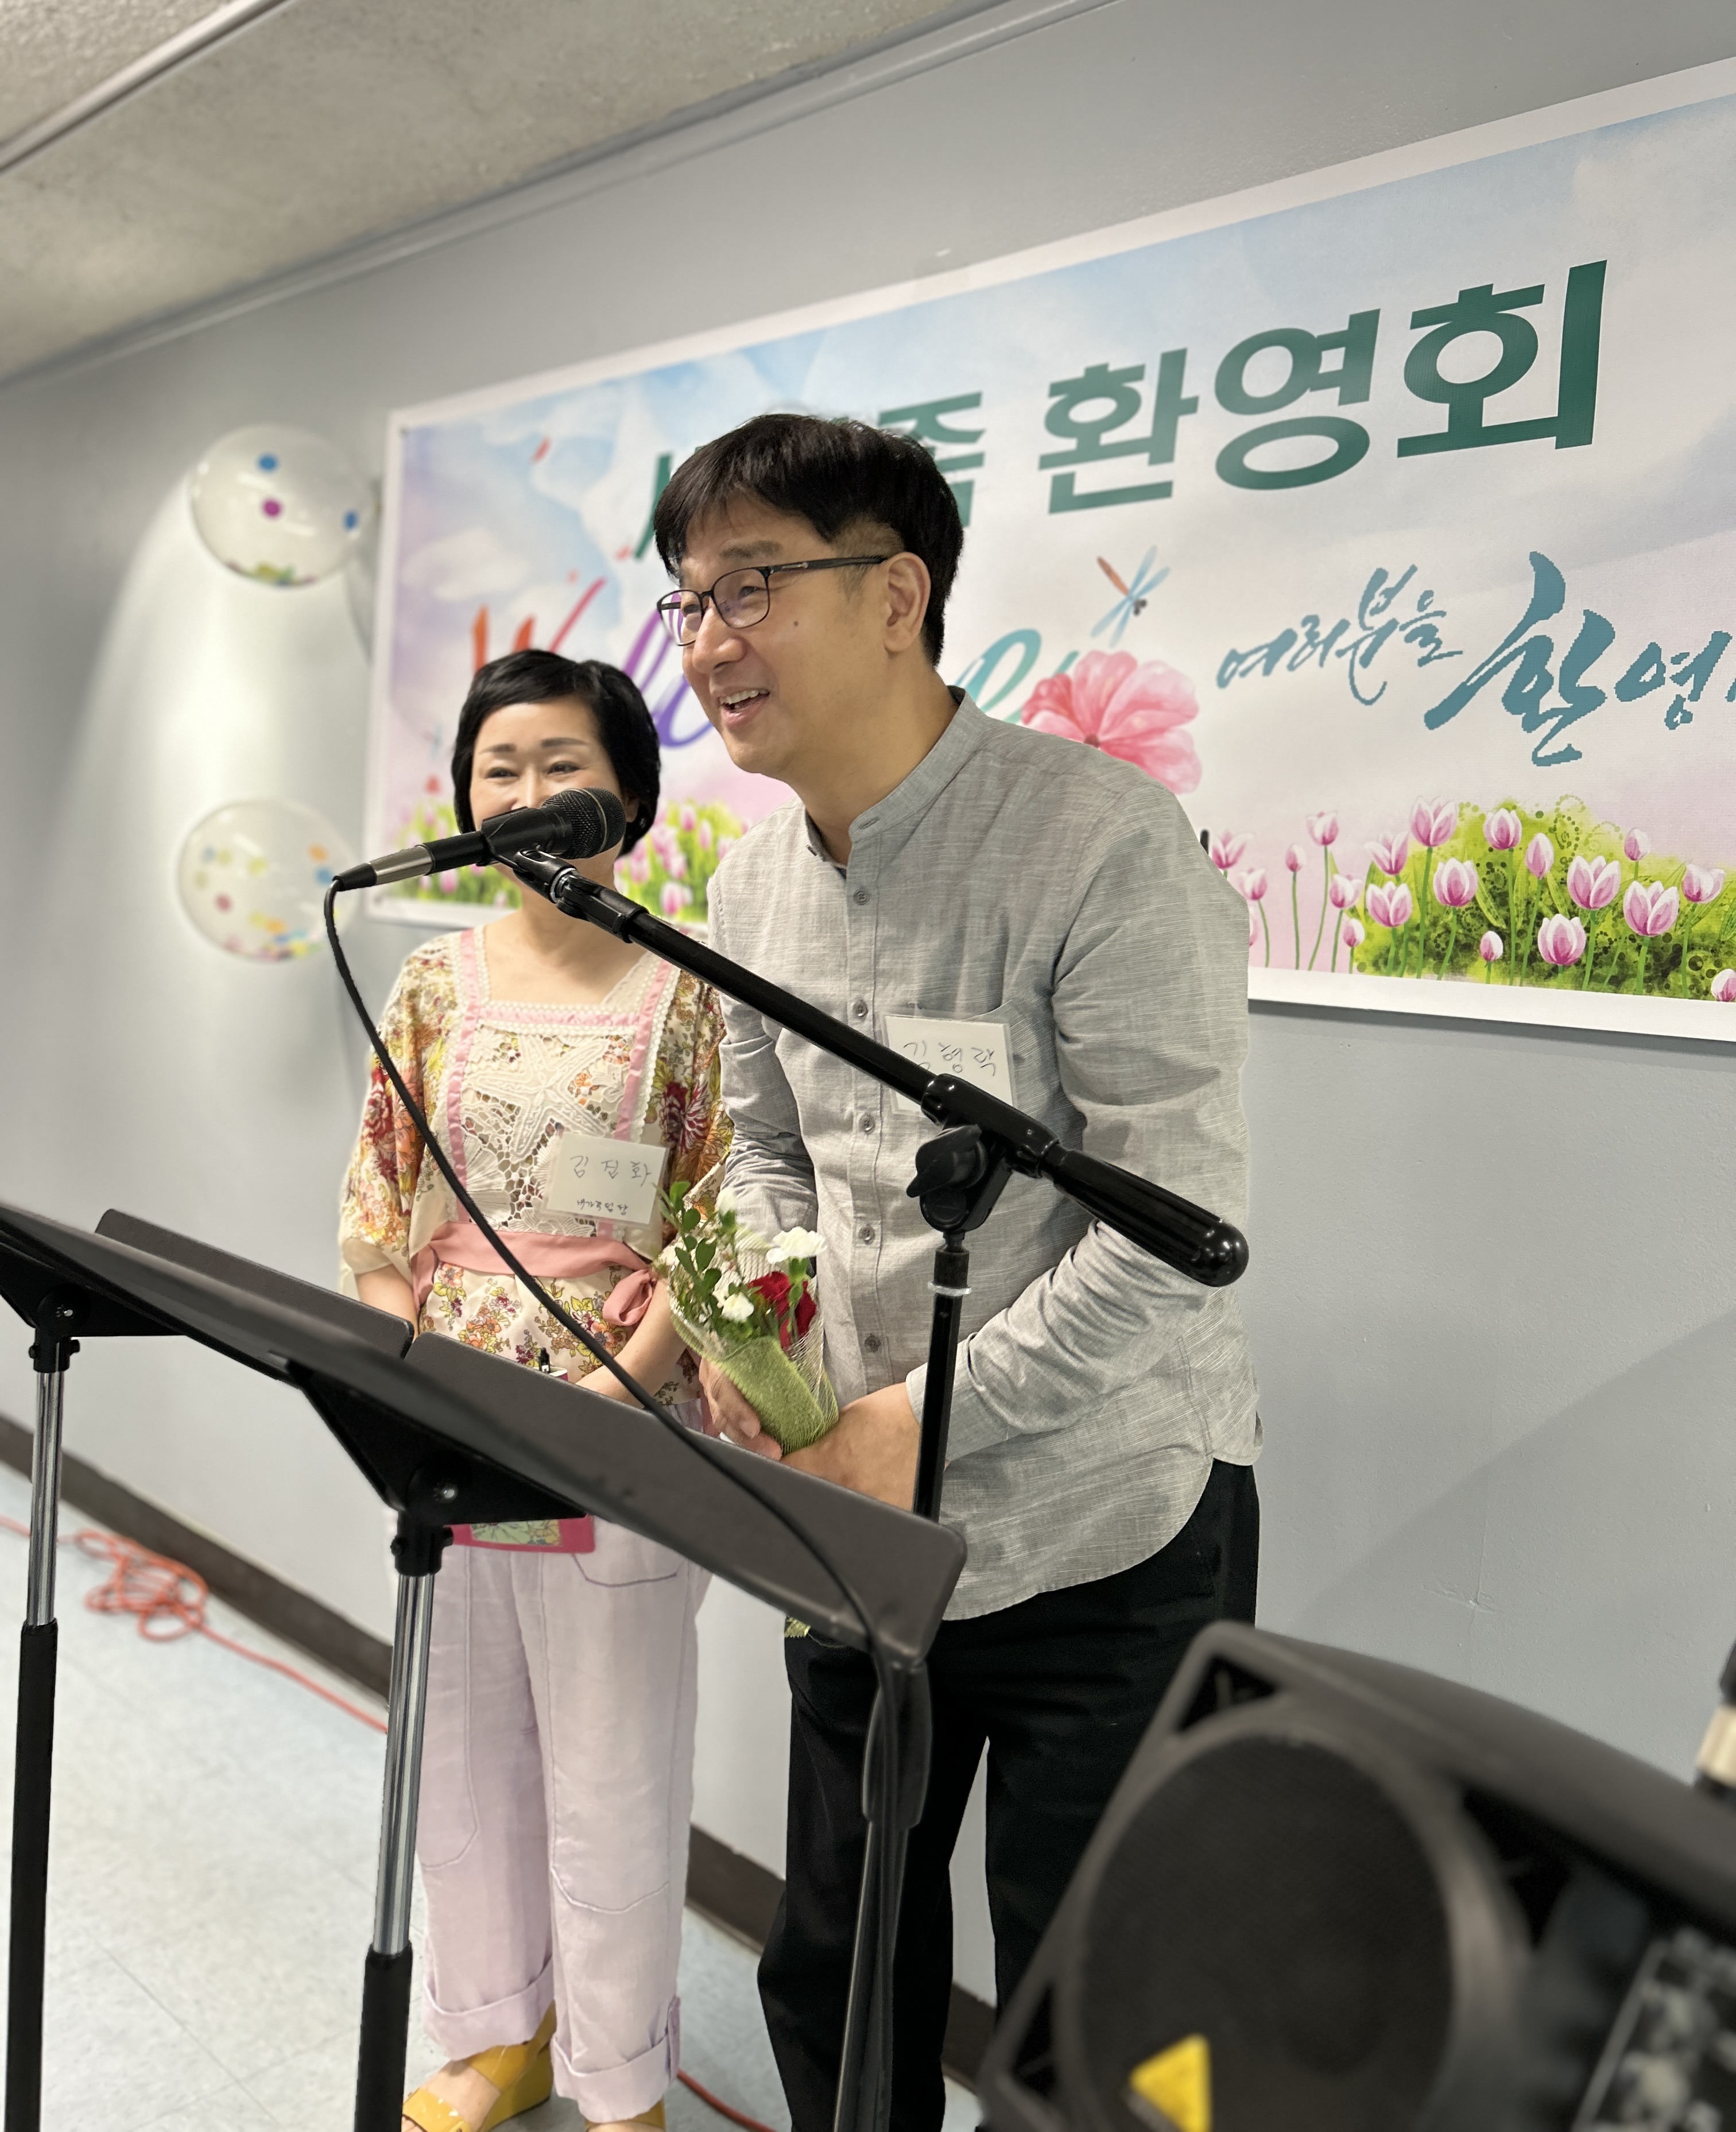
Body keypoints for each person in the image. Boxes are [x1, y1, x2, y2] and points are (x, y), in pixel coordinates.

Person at [651, 415, 1260, 2132]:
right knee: (836, 1969)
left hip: (1103, 1528)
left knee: (1097, 2015)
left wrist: (911, 1421)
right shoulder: (754, 880)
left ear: (898, 595)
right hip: (857, 1525)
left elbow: (1172, 1239)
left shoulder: (1101, 843)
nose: (707, 642)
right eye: (689, 599)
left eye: (751, 587)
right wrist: (759, 1339)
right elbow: (771, 1157)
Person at [340, 649, 730, 2132]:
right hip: (451, 1420)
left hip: (618, 1430)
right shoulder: (431, 986)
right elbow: (379, 1213)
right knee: (464, 1744)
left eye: (560, 766)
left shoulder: (691, 993)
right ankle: (495, 2033)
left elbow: (720, 1224)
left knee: (616, 1766)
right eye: (497, 770)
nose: (525, 793)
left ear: (626, 792)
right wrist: (409, 1382)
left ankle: (619, 2074)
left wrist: (617, 1396)